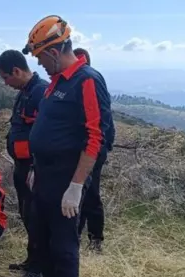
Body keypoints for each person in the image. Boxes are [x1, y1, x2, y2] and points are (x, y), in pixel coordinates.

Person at [18, 15, 114, 277]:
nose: (39, 64)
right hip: (45, 175)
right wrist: (35, 166)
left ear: (54, 52)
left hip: (66, 177)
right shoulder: (57, 81)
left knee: (63, 243)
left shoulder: (87, 81)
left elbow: (95, 136)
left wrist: (76, 185)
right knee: (42, 237)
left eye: (41, 57)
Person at [0, 49, 48, 277]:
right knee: (27, 215)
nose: (6, 83)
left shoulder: (40, 92)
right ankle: (31, 260)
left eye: (6, 77)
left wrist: (36, 167)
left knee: (36, 218)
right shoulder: (25, 92)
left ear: (16, 71)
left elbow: (45, 134)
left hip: (34, 168)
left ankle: (38, 270)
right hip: (22, 166)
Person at [73, 47, 115, 253]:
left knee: (89, 195)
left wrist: (101, 150)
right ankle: (85, 237)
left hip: (92, 151)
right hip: (91, 150)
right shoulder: (85, 81)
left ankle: (95, 239)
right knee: (86, 195)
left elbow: (102, 123)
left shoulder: (88, 81)